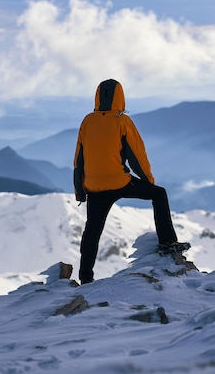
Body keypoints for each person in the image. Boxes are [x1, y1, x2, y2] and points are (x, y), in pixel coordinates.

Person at [73, 79, 190, 284]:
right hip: (119, 182)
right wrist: (149, 182)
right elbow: (137, 156)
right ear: (120, 97)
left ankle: (85, 276)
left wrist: (80, 190)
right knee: (159, 194)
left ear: (98, 96)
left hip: (94, 186)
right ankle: (167, 242)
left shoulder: (88, 120)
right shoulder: (122, 121)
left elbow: (78, 158)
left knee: (92, 230)